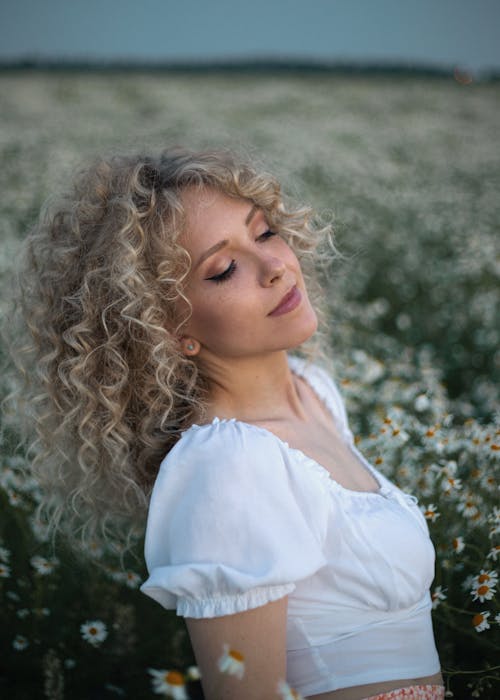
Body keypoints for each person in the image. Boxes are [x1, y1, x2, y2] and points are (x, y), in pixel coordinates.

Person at [18, 147, 444, 700]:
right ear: (164, 329)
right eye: (222, 269)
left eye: (264, 233)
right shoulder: (228, 467)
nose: (276, 267)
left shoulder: (314, 392)